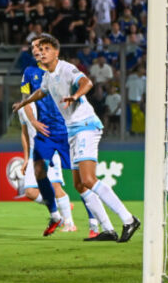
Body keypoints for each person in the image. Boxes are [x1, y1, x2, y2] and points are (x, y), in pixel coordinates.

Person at [14, 34, 140, 243]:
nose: (42, 53)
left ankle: (128, 219)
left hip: (85, 127)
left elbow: (87, 82)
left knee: (89, 179)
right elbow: (40, 92)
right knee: (80, 185)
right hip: (73, 130)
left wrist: (75, 95)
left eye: (46, 49)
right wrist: (23, 102)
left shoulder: (66, 68)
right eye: (40, 49)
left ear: (56, 52)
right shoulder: (48, 76)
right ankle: (108, 229)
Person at [20, 48, 100, 238]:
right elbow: (25, 99)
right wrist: (33, 121)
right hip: (47, 134)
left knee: (81, 181)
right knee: (35, 183)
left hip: (67, 130)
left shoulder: (62, 70)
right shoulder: (29, 73)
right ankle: (57, 215)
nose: (38, 52)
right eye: (35, 49)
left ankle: (94, 224)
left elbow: (82, 83)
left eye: (43, 48)